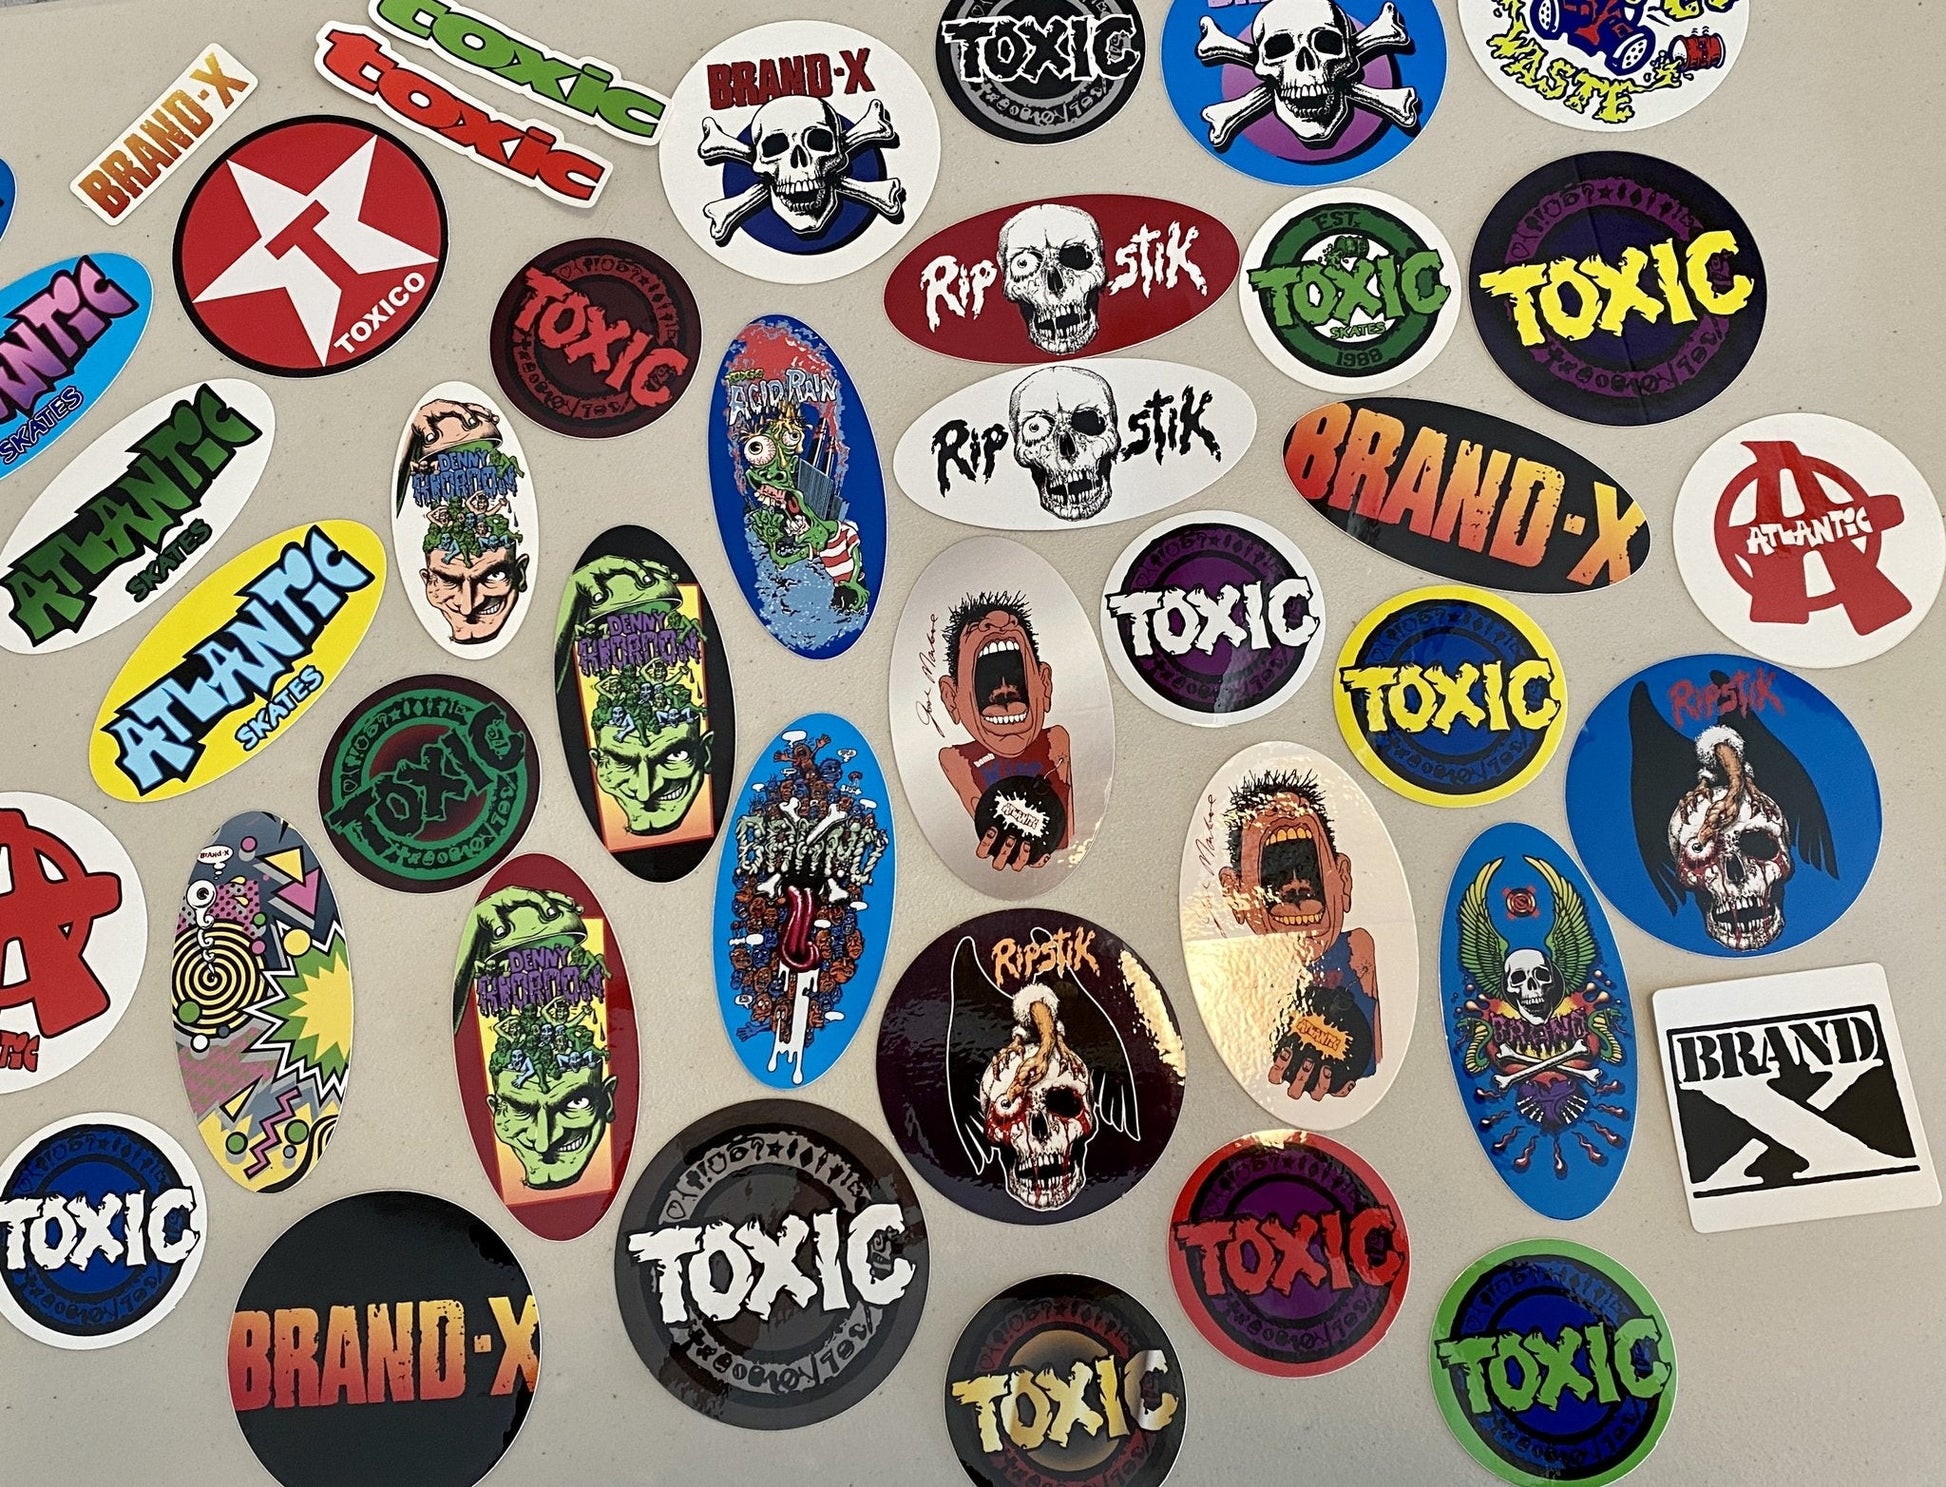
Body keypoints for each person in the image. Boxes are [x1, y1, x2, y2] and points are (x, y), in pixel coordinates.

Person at [1217, 770, 1381, 1100]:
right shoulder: (1234, 973)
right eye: (1275, 873)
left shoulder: (1358, 950)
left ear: (1343, 880)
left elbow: (1372, 1074)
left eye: (1307, 868)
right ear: (1235, 894)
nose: (1296, 888)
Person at [935, 592, 1072, 872]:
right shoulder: (956, 760)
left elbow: (1063, 844)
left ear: (1045, 684)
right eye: (990, 687)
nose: (1006, 699)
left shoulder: (1056, 742)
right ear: (951, 699)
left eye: (1015, 684)